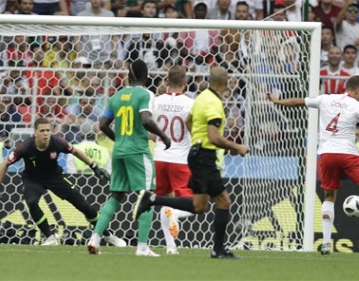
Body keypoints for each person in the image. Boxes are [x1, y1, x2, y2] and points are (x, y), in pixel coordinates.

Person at [266, 75, 359, 255]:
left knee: (329, 196)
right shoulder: (358, 106)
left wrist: (277, 101)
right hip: (348, 154)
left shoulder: (326, 98)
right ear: (357, 90)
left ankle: (326, 243)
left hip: (327, 155)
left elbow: (298, 101)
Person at [133, 66, 250, 259]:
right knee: (221, 201)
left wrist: (193, 136)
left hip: (161, 156)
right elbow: (212, 136)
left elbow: (185, 121)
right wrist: (237, 147)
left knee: (198, 206)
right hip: (190, 157)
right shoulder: (203, 102)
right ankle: (217, 250)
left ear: (166, 80)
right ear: (226, 82)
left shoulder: (195, 98)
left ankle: (168, 240)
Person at [0, 118, 125, 247]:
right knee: (32, 202)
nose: (46, 134)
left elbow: (75, 151)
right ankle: (50, 237)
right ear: (35, 133)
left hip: (55, 178)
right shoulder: (25, 147)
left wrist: (94, 166)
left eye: (48, 130)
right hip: (32, 179)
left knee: (83, 205)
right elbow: (5, 163)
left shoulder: (57, 142)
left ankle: (107, 235)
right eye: (42, 131)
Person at [86, 60, 171, 256]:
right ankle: (142, 247)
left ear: (128, 75)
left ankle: (95, 238)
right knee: (147, 196)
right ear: (146, 75)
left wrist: (120, 139)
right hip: (138, 151)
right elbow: (146, 119)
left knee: (116, 196)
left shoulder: (116, 96)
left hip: (119, 151)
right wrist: (164, 136)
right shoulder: (146, 94)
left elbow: (103, 124)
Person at [152, 65, 195, 255]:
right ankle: (175, 215)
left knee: (165, 201)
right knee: (193, 205)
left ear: (167, 81)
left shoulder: (156, 101)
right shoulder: (190, 103)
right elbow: (194, 129)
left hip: (159, 156)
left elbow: (149, 128)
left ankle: (171, 247)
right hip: (180, 158)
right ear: (185, 82)